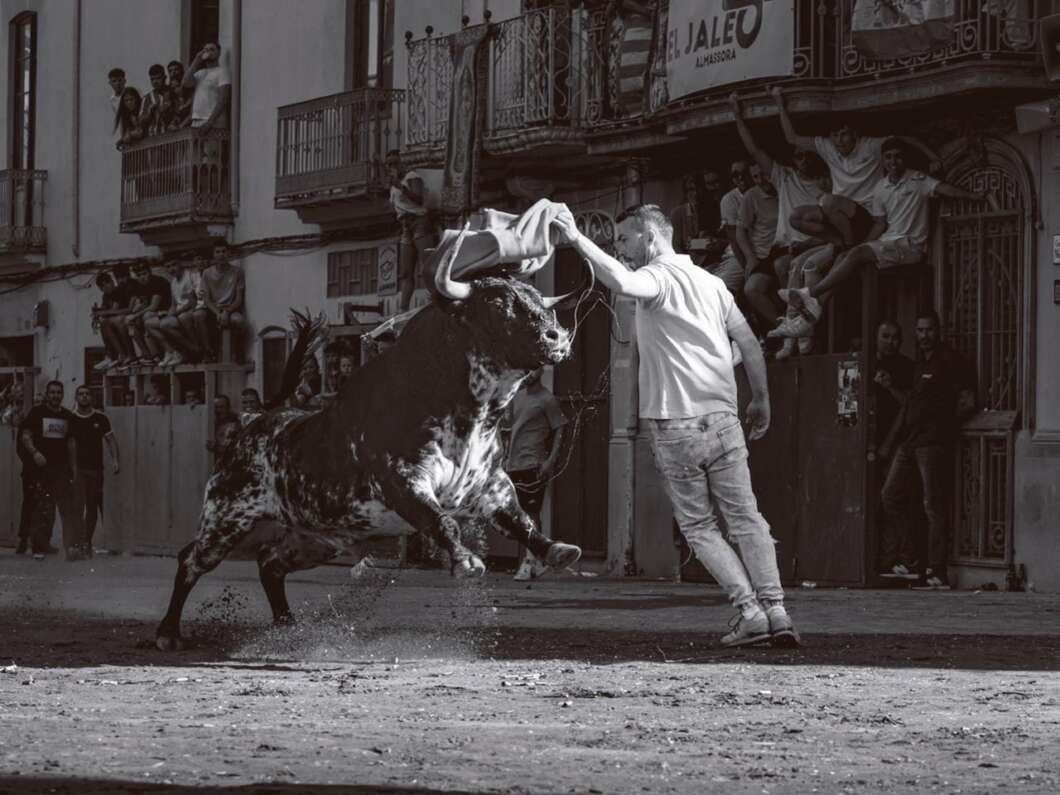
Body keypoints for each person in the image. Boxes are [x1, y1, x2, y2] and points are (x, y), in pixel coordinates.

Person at [554, 204, 799, 648]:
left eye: (624, 239)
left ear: (650, 237)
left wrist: (576, 240)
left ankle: (749, 611)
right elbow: (748, 343)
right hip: (723, 419)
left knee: (701, 527)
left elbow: (623, 281)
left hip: (675, 423)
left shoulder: (659, 277)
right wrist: (761, 400)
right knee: (747, 519)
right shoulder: (712, 284)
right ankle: (777, 610)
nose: (620, 249)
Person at [775, 139, 994, 339]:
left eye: (897, 156)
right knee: (846, 255)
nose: (893, 162)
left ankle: (809, 293)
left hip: (910, 247)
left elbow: (944, 188)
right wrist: (859, 247)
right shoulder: (881, 187)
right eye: (888, 157)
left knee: (857, 254)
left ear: (904, 159)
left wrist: (974, 196)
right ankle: (811, 314)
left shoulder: (918, 180)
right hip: (888, 242)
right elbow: (880, 224)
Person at [772, 86, 939, 251]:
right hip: (836, 215)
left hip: (865, 215)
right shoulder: (827, 147)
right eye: (835, 135)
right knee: (795, 217)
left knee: (828, 200)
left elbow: (905, 140)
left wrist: (932, 158)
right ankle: (838, 242)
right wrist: (779, 102)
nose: (839, 140)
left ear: (854, 134)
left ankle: (849, 245)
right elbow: (791, 138)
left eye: (844, 134)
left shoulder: (870, 146)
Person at [879, 312, 976, 591]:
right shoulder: (920, 362)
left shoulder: (949, 360)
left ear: (938, 330)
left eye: (929, 330)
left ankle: (936, 572)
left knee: (932, 505)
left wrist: (946, 426)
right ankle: (912, 561)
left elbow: (967, 400)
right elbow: (911, 402)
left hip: (932, 442)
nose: (924, 335)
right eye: (920, 330)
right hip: (911, 441)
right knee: (890, 496)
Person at [730, 92, 826, 345]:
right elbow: (754, 149)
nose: (802, 160)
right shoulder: (784, 178)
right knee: (752, 289)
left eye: (806, 156)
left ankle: (800, 334)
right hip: (779, 248)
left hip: (806, 249)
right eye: (798, 156)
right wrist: (737, 115)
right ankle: (788, 326)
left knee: (784, 267)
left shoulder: (824, 187)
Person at [503, 368, 568, 581]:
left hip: (534, 463)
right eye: (527, 370)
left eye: (533, 369)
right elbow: (508, 427)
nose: (529, 373)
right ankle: (536, 560)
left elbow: (560, 428)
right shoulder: (517, 396)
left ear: (541, 371)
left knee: (531, 513)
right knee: (519, 515)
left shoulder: (547, 399)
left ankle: (529, 561)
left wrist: (550, 460)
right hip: (513, 463)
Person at [19, 381, 87, 561]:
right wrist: (35, 453)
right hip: (41, 470)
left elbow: (71, 444)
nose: (56, 395)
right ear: (47, 394)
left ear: (62, 395)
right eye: (53, 392)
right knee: (42, 508)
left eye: (59, 392)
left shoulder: (67, 416)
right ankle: (38, 546)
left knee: (67, 508)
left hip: (61, 470)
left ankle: (70, 548)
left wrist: (73, 468)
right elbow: (26, 436)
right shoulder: (37, 413)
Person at [71, 385, 120, 555]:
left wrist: (115, 459)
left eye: (87, 394)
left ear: (92, 397)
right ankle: (77, 541)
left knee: (92, 507)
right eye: (81, 394)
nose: (84, 397)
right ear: (76, 397)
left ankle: (87, 542)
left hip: (95, 470)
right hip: (77, 470)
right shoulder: (71, 418)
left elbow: (111, 440)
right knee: (77, 507)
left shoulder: (101, 418)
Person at [387, 150, 437, 311]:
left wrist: (402, 188)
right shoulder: (395, 184)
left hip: (419, 222)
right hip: (405, 226)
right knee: (406, 272)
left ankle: (437, 300)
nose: (391, 166)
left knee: (427, 266)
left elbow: (418, 199)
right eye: (388, 164)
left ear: (403, 163)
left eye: (394, 163)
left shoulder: (412, 177)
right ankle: (403, 308)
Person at [873, 320, 915, 453]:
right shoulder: (864, 363)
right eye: (885, 336)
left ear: (901, 341)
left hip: (897, 440)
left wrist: (891, 387)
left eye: (895, 337)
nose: (890, 342)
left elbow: (909, 404)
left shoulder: (908, 367)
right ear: (876, 337)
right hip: (865, 434)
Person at [199, 244, 245, 362]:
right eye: (218, 252)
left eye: (224, 251)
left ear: (229, 253)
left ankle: (239, 352)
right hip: (213, 309)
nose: (221, 255)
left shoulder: (237, 272)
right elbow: (206, 299)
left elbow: (239, 299)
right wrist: (218, 313)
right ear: (213, 255)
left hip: (230, 308)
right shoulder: (207, 273)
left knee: (239, 320)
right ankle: (208, 352)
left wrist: (227, 311)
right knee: (199, 317)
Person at [155, 259, 206, 366]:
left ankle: (196, 349)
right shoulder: (173, 282)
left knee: (183, 318)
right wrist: (168, 314)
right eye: (168, 266)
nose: (171, 269)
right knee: (160, 323)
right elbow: (174, 304)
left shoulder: (190, 276)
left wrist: (175, 314)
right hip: (181, 312)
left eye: (174, 265)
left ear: (180, 264)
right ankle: (186, 350)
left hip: (194, 309)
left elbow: (193, 301)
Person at [126, 263, 173, 366]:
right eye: (139, 275)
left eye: (144, 274)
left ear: (150, 272)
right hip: (154, 313)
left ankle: (158, 354)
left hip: (167, 311)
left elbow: (153, 306)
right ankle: (147, 355)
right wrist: (133, 314)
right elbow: (144, 304)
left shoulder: (158, 282)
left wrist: (135, 315)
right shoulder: (140, 285)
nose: (142, 277)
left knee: (146, 317)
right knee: (131, 322)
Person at [183, 43, 231, 130]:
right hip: (196, 121)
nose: (208, 52)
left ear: (219, 53)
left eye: (212, 49)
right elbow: (185, 83)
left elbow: (223, 99)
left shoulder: (222, 72)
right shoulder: (200, 73)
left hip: (213, 122)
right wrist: (196, 60)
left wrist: (210, 122)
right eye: (206, 50)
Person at [91, 272, 127, 371]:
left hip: (124, 317)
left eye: (107, 283)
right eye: (102, 287)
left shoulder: (118, 291)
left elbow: (114, 310)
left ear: (111, 282)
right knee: (103, 324)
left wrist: (101, 313)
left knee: (105, 323)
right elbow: (104, 309)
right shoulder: (105, 296)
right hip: (114, 321)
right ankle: (110, 356)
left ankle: (120, 355)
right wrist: (97, 315)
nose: (105, 288)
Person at [139, 64, 175, 137]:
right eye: (152, 79)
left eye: (158, 78)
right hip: (154, 139)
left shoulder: (172, 92)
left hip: (172, 136)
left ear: (164, 78)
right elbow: (140, 120)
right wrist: (149, 113)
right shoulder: (147, 98)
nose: (155, 81)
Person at [166, 60, 192, 129]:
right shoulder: (170, 95)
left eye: (176, 69)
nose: (173, 73)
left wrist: (180, 126)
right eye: (170, 71)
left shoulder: (191, 91)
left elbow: (193, 113)